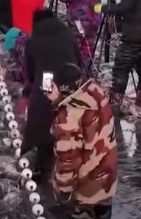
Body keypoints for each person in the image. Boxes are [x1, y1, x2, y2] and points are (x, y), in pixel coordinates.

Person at [47, 63, 118, 219]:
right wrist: (59, 100)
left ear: (62, 88)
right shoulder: (96, 92)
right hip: (107, 176)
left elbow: (68, 159)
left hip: (87, 186)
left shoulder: (68, 117)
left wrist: (63, 191)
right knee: (104, 212)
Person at [20, 8, 81, 185]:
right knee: (70, 117)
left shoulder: (33, 40)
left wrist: (29, 88)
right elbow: (78, 58)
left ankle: (43, 165)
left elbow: (30, 70)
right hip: (69, 77)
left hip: (47, 78)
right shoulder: (68, 33)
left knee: (44, 115)